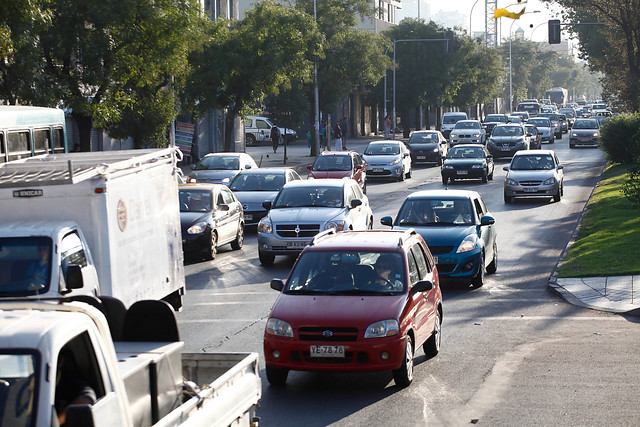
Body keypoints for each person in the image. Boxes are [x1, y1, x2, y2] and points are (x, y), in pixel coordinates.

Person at [55, 348, 97, 426]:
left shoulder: (70, 381)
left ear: (61, 361)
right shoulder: (28, 384)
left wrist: (56, 423)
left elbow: (88, 397)